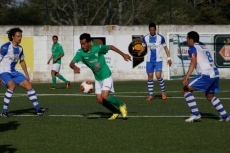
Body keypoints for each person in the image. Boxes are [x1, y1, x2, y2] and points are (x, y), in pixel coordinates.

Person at [69, 33, 131, 120]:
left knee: (105, 96)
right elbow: (71, 64)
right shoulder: (80, 53)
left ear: (89, 42)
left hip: (106, 75)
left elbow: (111, 47)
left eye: (84, 44)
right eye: (81, 44)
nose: (82, 46)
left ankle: (121, 105)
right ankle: (115, 111)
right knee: (100, 100)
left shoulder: (98, 48)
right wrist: (74, 67)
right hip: (98, 78)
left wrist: (123, 54)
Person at [182, 31, 230, 122]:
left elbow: (193, 62)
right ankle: (225, 116)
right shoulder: (203, 46)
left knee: (185, 90)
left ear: (191, 40)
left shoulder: (192, 48)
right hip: (215, 73)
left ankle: (195, 114)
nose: (186, 40)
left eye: (187, 39)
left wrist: (186, 76)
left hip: (206, 74)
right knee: (210, 96)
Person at [0, 27, 48, 117]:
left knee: (29, 86)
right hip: (3, 72)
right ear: (12, 37)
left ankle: (38, 109)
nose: (20, 38)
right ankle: (4, 111)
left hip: (13, 72)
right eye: (18, 36)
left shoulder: (20, 48)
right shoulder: (5, 47)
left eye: (21, 36)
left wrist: (27, 75)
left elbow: (22, 61)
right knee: (12, 86)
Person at [138, 23, 172, 101]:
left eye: (153, 30)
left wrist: (169, 58)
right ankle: (151, 95)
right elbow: (143, 47)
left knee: (158, 76)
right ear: (149, 30)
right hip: (149, 60)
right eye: (150, 30)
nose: (152, 31)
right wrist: (140, 52)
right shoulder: (145, 38)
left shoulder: (160, 37)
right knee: (150, 76)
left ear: (155, 30)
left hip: (158, 60)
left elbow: (166, 48)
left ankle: (163, 92)